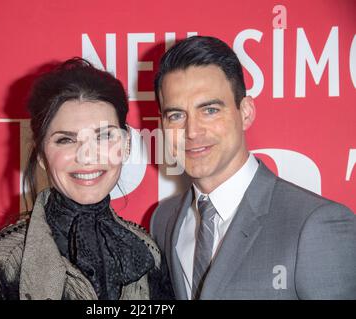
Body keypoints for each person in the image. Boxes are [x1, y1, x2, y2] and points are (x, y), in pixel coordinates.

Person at [0, 58, 173, 300]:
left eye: (103, 137)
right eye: (66, 140)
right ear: (41, 155)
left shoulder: (147, 251)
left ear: (126, 145)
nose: (87, 156)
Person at [150, 36, 356, 299]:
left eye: (210, 110)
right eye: (176, 115)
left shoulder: (315, 225)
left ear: (245, 112)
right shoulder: (164, 220)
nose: (192, 131)